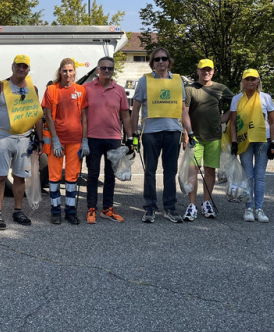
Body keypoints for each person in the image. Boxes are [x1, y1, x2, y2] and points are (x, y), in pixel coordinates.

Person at [130, 48, 193, 224]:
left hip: (173, 131)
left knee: (170, 171)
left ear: (169, 61)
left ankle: (170, 208)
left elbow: (183, 110)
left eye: (164, 58)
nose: (160, 62)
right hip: (150, 132)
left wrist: (190, 132)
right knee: (150, 171)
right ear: (152, 62)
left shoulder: (177, 80)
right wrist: (132, 133)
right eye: (157, 59)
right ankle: (150, 207)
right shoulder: (145, 81)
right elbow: (135, 109)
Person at [0, 55, 43, 230]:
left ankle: (18, 211)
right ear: (12, 67)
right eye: (18, 66)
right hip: (3, 137)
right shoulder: (1, 86)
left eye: (24, 67)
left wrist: (40, 139)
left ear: (28, 69)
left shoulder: (33, 88)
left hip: (24, 139)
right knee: (1, 176)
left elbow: (37, 116)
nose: (21, 69)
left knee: (20, 177)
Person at [183, 59, 234, 220]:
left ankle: (206, 202)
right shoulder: (190, 89)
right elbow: (184, 112)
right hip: (195, 137)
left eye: (209, 70)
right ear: (197, 71)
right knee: (193, 171)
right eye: (203, 69)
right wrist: (186, 134)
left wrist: (224, 118)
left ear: (213, 71)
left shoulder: (220, 88)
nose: (206, 72)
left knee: (210, 170)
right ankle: (192, 205)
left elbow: (236, 102)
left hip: (214, 137)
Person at [83, 56, 132, 224]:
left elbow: (125, 115)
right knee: (93, 174)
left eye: (110, 68)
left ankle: (107, 209)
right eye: (103, 68)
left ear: (113, 71)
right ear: (97, 69)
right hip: (92, 137)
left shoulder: (119, 90)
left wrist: (130, 137)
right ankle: (91, 208)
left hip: (113, 138)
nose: (106, 71)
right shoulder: (86, 88)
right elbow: (81, 114)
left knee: (111, 175)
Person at [42, 58, 89, 225]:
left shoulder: (81, 90)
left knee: (71, 178)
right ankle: (55, 211)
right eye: (64, 71)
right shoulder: (52, 90)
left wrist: (85, 141)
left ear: (75, 72)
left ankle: (70, 211)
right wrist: (54, 139)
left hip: (75, 141)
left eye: (70, 71)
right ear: (60, 72)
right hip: (58, 141)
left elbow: (84, 117)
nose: (67, 74)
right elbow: (48, 116)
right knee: (54, 178)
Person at [229, 69, 274, 223]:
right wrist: (234, 141)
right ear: (242, 81)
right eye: (247, 79)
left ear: (258, 81)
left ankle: (259, 208)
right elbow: (233, 123)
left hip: (263, 139)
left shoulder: (266, 98)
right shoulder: (237, 99)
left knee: (260, 175)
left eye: (253, 79)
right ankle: (249, 208)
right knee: (248, 176)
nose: (250, 82)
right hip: (245, 141)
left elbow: (273, 122)